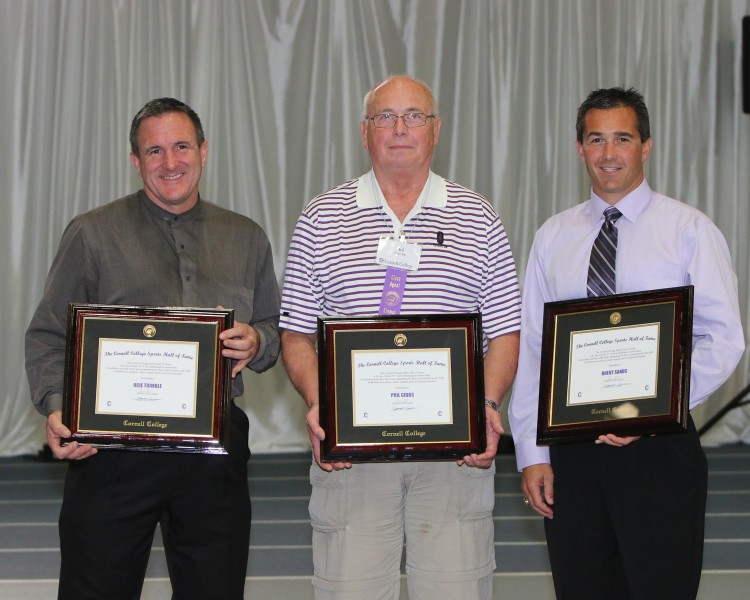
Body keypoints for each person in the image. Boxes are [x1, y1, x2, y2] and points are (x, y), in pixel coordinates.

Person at [25, 97, 280, 600]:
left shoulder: (246, 237)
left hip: (215, 451)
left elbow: (274, 329)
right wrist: (58, 408)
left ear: (204, 151)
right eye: (155, 150)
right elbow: (48, 335)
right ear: (135, 161)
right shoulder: (92, 233)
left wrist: (258, 339)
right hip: (110, 453)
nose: (170, 162)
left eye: (181, 146)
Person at [279, 75, 521, 600]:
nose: (399, 128)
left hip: (454, 458)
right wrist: (322, 402)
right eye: (385, 117)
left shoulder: (479, 217)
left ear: (436, 130)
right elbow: (296, 334)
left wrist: (486, 402)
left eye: (414, 116)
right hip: (353, 457)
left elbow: (504, 330)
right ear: (365, 132)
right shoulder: (321, 218)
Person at [508, 87, 745, 599]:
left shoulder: (688, 230)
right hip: (572, 456)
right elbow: (533, 350)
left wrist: (652, 409)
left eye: (622, 138)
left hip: (659, 451)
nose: (609, 153)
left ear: (646, 146)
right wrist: (532, 453)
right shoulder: (553, 236)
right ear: (579, 148)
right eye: (596, 139)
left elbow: (724, 339)